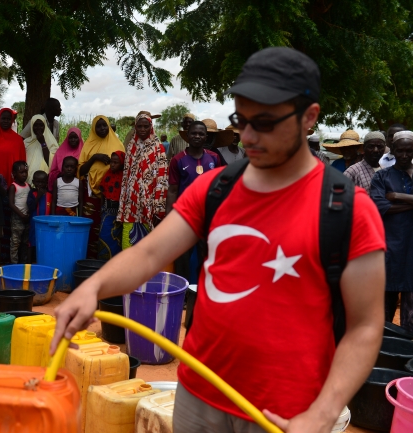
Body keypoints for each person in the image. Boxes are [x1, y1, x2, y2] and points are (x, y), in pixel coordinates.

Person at [51, 47, 385, 433]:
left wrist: (323, 413)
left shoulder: (347, 210)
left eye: (264, 121)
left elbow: (365, 327)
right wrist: (92, 287)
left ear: (309, 117)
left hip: (285, 415)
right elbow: (148, 253)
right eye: (241, 119)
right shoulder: (217, 189)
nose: (248, 135)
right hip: (197, 396)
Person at [166, 121, 222, 283]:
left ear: (206, 137)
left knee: (206, 256)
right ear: (187, 136)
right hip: (185, 217)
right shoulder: (178, 160)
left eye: (201, 134)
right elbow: (172, 190)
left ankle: (202, 294)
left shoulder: (214, 158)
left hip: (207, 216)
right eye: (194, 133)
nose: (197, 136)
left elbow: (218, 187)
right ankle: (182, 295)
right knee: (182, 258)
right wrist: (169, 218)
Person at [370, 130, 413, 332]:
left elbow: (388, 204)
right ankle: (386, 352)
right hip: (390, 247)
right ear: (393, 150)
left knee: (410, 312)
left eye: (409, 151)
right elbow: (378, 207)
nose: (404, 155)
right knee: (385, 309)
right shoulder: (381, 176)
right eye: (400, 150)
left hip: (411, 249)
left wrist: (397, 196)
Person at [118, 112, 168, 249]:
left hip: (150, 202)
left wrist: (159, 207)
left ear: (151, 127)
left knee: (148, 248)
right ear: (135, 127)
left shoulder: (158, 148)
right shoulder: (131, 147)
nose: (142, 129)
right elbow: (126, 178)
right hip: (132, 204)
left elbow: (162, 178)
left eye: (145, 126)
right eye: (139, 126)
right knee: (128, 243)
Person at [78, 116, 125, 258]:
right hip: (91, 194)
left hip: (112, 198)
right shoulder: (89, 144)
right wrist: (94, 158)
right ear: (93, 128)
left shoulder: (118, 144)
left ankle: (108, 262)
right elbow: (81, 171)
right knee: (92, 229)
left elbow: (124, 168)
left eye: (104, 125)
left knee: (109, 231)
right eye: (98, 126)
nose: (102, 128)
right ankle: (90, 262)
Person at [0, 108, 27, 182]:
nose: (6, 121)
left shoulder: (18, 140)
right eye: (3, 118)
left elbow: (22, 161)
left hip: (12, 181)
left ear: (12, 121)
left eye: (8, 119)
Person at [98, 151, 125, 259]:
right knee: (104, 236)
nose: (112, 165)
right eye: (111, 162)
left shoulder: (125, 177)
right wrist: (102, 208)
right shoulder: (108, 174)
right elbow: (103, 192)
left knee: (116, 239)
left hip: (118, 213)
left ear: (122, 163)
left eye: (116, 162)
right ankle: (102, 262)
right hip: (107, 211)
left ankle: (113, 264)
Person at [24, 114, 59, 184]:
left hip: (43, 181)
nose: (38, 128)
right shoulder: (26, 142)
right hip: (27, 180)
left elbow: (52, 162)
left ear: (45, 126)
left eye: (41, 125)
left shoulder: (52, 143)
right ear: (32, 126)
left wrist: (43, 143)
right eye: (35, 125)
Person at [28, 170, 53, 262]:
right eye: (37, 182)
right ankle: (29, 263)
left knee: (45, 243)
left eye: (42, 182)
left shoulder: (50, 194)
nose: (40, 184)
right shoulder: (32, 193)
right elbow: (30, 207)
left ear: (46, 182)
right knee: (32, 242)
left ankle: (44, 261)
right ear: (33, 182)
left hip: (46, 224)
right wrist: (38, 196)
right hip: (33, 224)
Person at [8, 161, 30, 264]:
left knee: (24, 242)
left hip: (26, 218)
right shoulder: (13, 186)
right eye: (21, 172)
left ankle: (23, 263)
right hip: (17, 218)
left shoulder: (27, 185)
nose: (24, 174)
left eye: (26, 172)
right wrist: (21, 215)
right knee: (15, 243)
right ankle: (14, 264)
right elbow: (11, 204)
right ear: (14, 173)